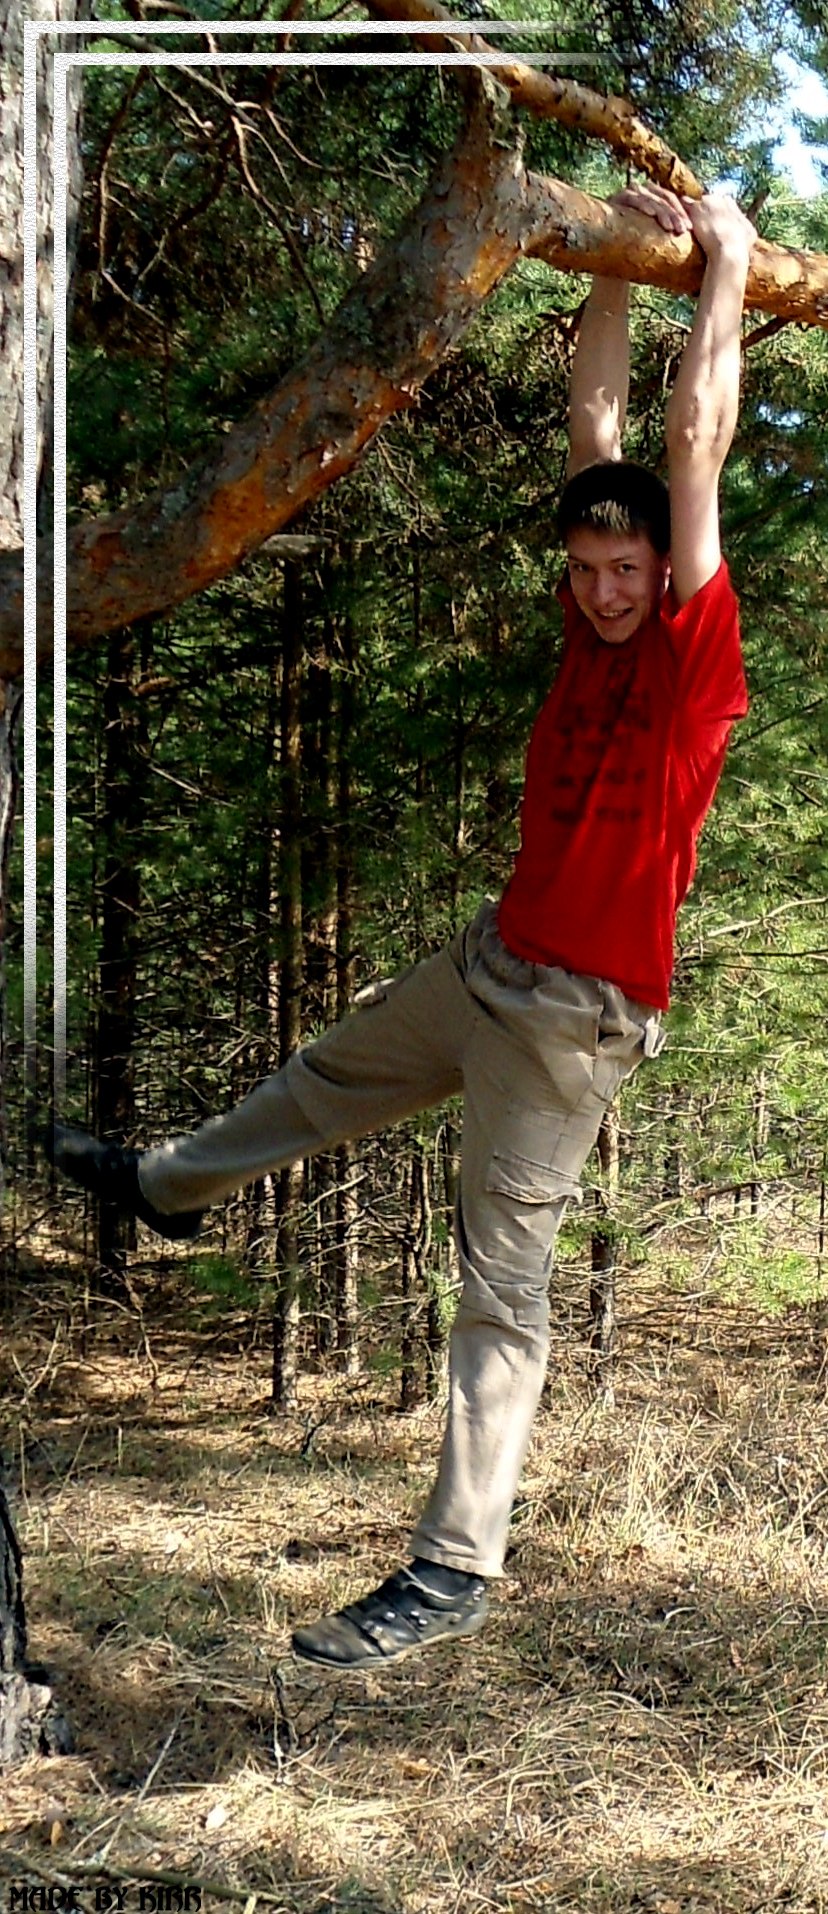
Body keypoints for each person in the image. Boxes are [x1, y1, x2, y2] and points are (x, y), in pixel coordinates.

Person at [49, 182, 755, 1670]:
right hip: (488, 967)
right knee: (324, 1078)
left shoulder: (695, 668)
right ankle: (169, 1187)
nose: (608, 592)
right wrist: (609, 265)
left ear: (670, 578)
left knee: (499, 1291)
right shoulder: (592, 622)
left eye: (632, 573)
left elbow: (688, 443)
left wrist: (727, 270)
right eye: (589, 571)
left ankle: (455, 1565)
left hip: (570, 1026)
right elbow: (602, 431)